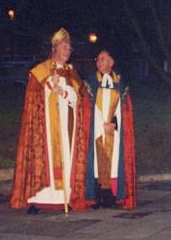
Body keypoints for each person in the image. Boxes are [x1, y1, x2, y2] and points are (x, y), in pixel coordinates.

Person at [10, 28, 91, 213]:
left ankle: (67, 197)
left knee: (67, 157)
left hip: (67, 126)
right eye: (64, 47)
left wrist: (64, 92)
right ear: (54, 48)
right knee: (43, 157)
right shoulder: (41, 71)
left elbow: (79, 99)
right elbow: (34, 100)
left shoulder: (72, 73)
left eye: (69, 49)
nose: (67, 51)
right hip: (45, 125)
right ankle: (38, 199)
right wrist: (49, 87)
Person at [84, 50, 136, 209]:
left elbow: (123, 109)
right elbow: (88, 109)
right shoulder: (90, 82)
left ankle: (112, 196)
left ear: (111, 62)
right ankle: (95, 197)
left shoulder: (120, 83)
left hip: (114, 131)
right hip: (96, 130)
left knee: (114, 162)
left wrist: (113, 123)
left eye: (102, 59)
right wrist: (101, 124)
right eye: (98, 59)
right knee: (96, 162)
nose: (99, 62)